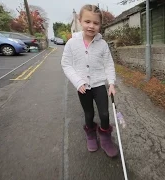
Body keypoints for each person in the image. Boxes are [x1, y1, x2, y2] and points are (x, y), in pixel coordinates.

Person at [61, 4, 118, 157]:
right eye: (87, 21)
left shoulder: (103, 44)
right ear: (80, 21)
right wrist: (78, 82)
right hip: (83, 87)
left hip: (99, 84)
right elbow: (66, 65)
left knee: (105, 114)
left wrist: (111, 83)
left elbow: (108, 64)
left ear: (100, 25)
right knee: (89, 114)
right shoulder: (72, 43)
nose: (91, 26)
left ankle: (106, 138)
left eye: (96, 23)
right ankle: (91, 135)